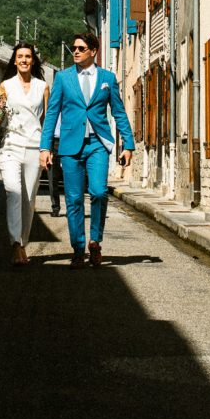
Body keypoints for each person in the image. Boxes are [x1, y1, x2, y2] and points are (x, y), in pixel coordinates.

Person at [40, 33, 134, 269]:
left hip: (98, 144)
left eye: (81, 48)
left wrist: (128, 145)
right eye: (74, 48)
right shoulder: (63, 78)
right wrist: (45, 146)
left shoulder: (107, 78)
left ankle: (95, 241)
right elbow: (52, 114)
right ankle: (78, 248)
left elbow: (119, 113)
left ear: (93, 51)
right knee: (73, 199)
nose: (76, 51)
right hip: (70, 146)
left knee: (99, 192)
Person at [0, 42, 49, 266]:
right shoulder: (5, 86)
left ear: (33, 60)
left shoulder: (43, 87)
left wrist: (47, 149)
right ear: (15, 60)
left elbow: (47, 122)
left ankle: (23, 243)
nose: (24, 60)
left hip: (34, 147)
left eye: (28, 56)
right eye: (20, 56)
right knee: (14, 193)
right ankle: (15, 245)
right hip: (10, 145)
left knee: (28, 200)